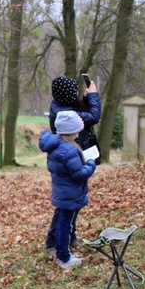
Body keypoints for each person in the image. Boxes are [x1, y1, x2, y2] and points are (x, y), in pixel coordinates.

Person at [45, 75, 101, 259]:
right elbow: (93, 116)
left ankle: (69, 237)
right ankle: (54, 243)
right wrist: (93, 96)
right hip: (72, 167)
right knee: (65, 208)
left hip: (75, 161)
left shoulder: (63, 107)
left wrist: (85, 97)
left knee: (71, 205)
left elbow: (82, 113)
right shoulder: (65, 115)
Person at [39, 111, 97, 268]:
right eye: (78, 128)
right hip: (69, 193)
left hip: (64, 192)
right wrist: (91, 163)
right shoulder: (68, 150)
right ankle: (63, 257)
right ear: (71, 130)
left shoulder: (58, 145)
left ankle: (58, 249)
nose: (79, 131)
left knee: (62, 222)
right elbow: (78, 174)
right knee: (65, 225)